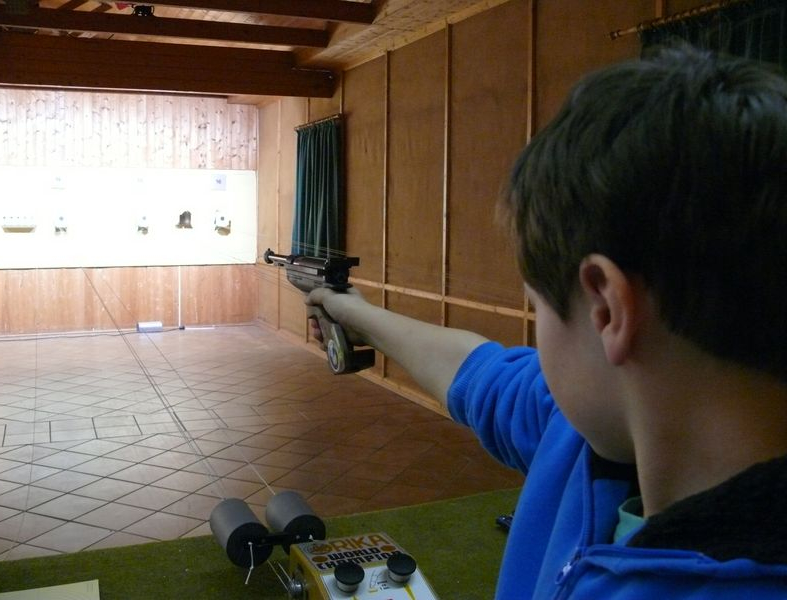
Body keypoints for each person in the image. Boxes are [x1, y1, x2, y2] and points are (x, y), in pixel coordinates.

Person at [307, 45, 787, 598]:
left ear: (607, 310)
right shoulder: (606, 423)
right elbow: (482, 377)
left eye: (538, 307)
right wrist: (358, 315)